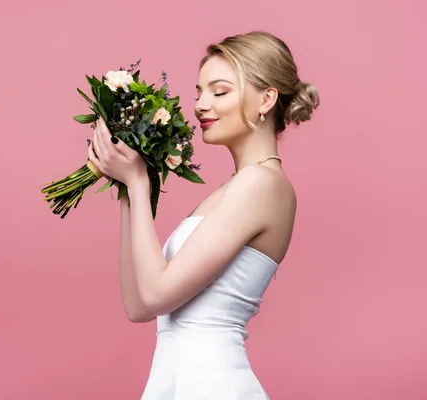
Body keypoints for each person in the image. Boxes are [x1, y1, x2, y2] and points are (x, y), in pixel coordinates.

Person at [87, 31, 320, 399]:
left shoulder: (261, 184)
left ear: (267, 98)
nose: (199, 104)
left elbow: (155, 296)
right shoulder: (234, 189)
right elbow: (138, 306)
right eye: (198, 92)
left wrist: (136, 183)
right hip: (176, 383)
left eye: (219, 91)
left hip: (213, 385)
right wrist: (128, 186)